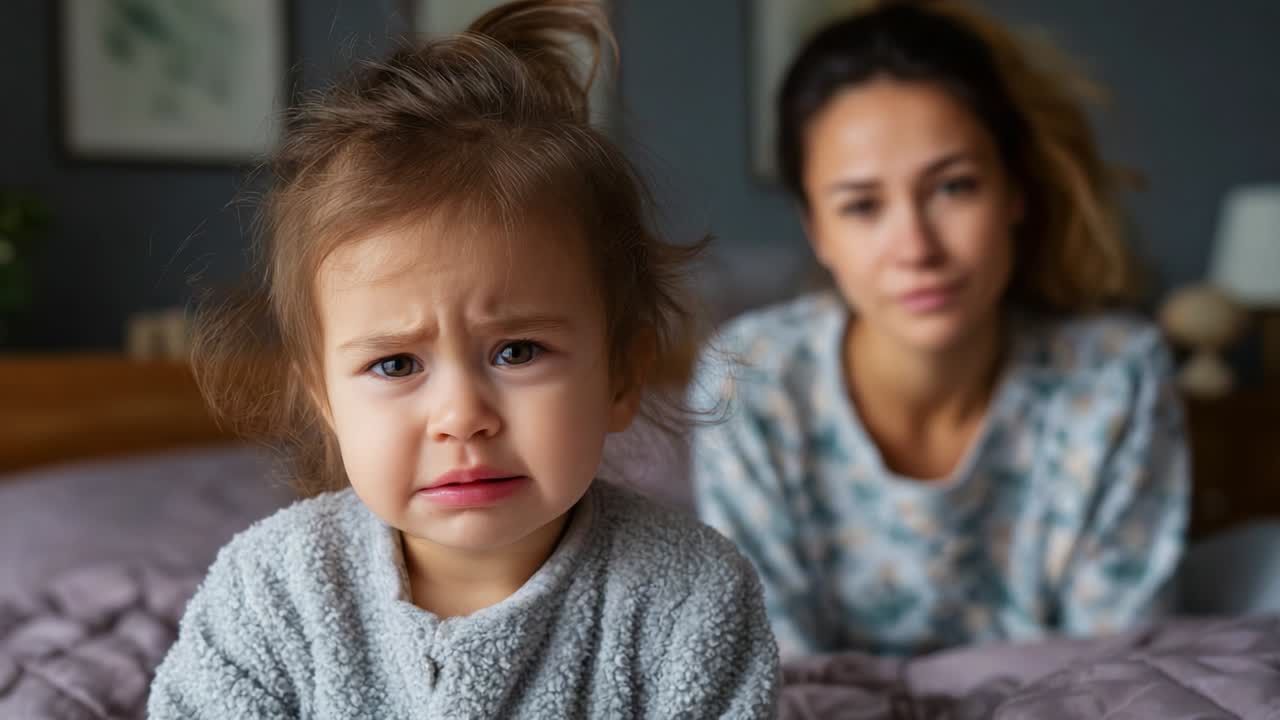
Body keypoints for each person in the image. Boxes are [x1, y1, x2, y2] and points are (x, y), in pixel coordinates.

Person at [148, 1, 779, 716]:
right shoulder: (272, 591)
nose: (462, 417)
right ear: (324, 398)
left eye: (517, 351)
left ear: (623, 374)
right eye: (395, 365)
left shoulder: (691, 596)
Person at [692, 0, 1189, 658]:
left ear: (1014, 192)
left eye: (953, 187)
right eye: (862, 206)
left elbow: (1118, 672)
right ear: (817, 229)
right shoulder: (746, 376)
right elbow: (775, 671)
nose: (916, 247)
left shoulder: (1117, 376)